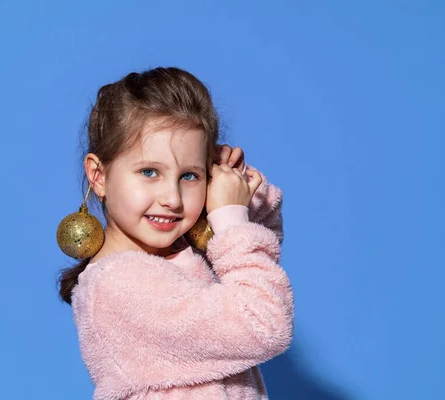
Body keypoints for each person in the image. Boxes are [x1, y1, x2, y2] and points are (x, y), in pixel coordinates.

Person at [58, 67, 294, 399]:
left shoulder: (178, 252)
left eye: (189, 176)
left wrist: (236, 189)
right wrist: (230, 217)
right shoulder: (118, 285)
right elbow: (263, 323)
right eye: (149, 171)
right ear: (98, 176)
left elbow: (261, 253)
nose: (172, 199)